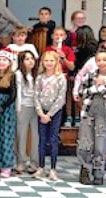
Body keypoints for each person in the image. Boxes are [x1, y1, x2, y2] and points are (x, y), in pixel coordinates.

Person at [76, 50, 106, 185]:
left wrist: (102, 87)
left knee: (100, 146)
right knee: (85, 142)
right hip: (88, 114)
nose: (101, 62)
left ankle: (98, 171)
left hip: (105, 116)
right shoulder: (89, 76)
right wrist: (95, 87)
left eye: (104, 60)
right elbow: (82, 92)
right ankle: (85, 169)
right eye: (99, 60)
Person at [34, 51, 67, 180]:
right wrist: (41, 113)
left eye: (51, 61)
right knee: (41, 140)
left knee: (53, 140)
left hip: (55, 112)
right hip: (41, 111)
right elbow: (36, 95)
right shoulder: (40, 77)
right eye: (46, 60)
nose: (49, 63)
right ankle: (41, 167)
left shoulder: (60, 78)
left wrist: (50, 114)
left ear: (56, 62)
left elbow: (61, 98)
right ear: (42, 62)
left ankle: (53, 168)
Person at [14, 51, 40, 174]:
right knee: (21, 134)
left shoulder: (38, 75)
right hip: (23, 106)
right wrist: (18, 108)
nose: (30, 61)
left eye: (32, 59)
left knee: (36, 135)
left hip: (36, 107)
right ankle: (21, 161)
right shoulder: (18, 74)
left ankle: (34, 162)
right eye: (27, 59)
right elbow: (18, 92)